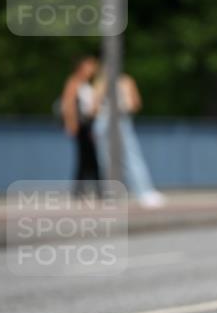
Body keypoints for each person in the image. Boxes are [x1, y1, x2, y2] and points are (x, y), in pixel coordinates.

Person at [94, 71, 166, 208]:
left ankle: (133, 192)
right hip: (112, 121)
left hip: (110, 121)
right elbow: (134, 103)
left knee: (114, 159)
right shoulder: (117, 81)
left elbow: (96, 106)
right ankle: (141, 192)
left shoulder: (112, 81)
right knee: (124, 158)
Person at [60, 56, 101, 197]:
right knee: (87, 157)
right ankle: (91, 189)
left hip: (89, 124)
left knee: (88, 158)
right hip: (82, 125)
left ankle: (83, 189)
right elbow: (68, 103)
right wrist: (71, 123)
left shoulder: (88, 84)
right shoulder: (74, 82)